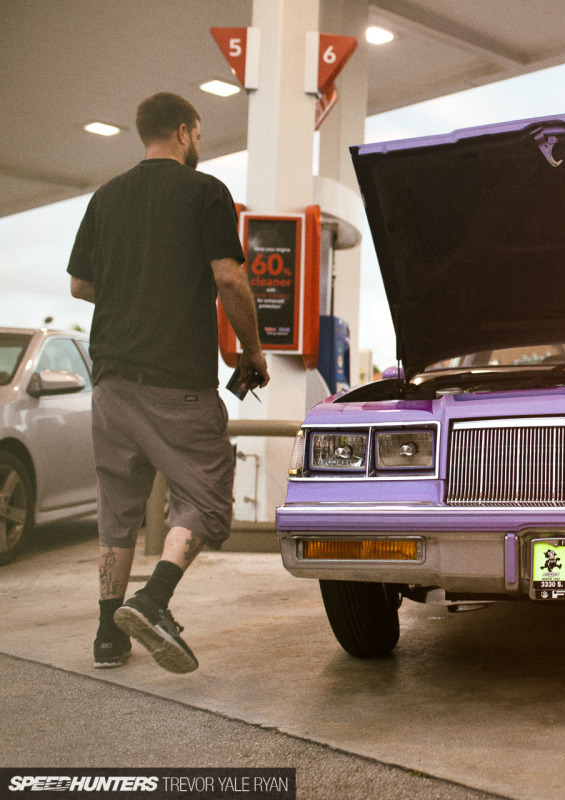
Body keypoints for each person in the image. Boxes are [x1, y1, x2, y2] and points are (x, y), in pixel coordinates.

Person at [68, 92, 269, 671]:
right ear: (185, 131)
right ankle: (153, 600)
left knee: (119, 504)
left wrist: (133, 287)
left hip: (109, 381)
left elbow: (81, 285)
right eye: (199, 134)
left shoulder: (106, 196)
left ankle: (109, 634)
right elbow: (230, 280)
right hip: (174, 379)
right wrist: (252, 351)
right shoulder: (205, 192)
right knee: (207, 495)